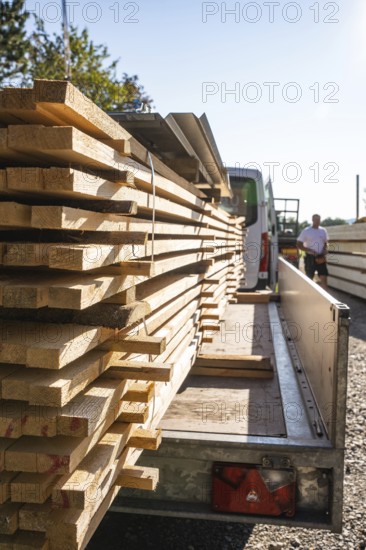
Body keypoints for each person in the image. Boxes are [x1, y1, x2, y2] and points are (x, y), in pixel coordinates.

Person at [297, 214, 329, 288]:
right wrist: (309, 250)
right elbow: (299, 244)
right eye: (316, 220)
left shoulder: (323, 230)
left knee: (323, 277)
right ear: (312, 220)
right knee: (309, 278)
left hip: (321, 257)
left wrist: (325, 250)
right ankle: (308, 295)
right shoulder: (306, 231)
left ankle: (324, 297)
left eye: (319, 220)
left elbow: (325, 243)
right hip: (310, 257)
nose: (317, 221)